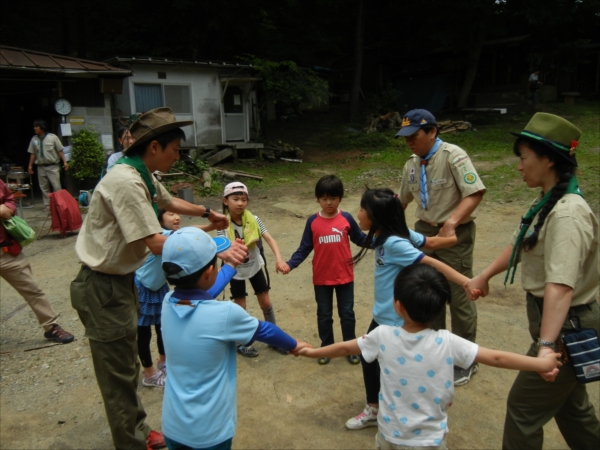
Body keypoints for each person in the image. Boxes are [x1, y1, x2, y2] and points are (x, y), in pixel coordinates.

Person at [70, 107, 247, 450]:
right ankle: (132, 441)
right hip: (102, 286)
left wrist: (207, 213)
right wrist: (210, 249)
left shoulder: (141, 173)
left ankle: (137, 430)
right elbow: (154, 244)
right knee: (118, 375)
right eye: (175, 150)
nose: (177, 157)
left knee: (126, 367)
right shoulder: (125, 182)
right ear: (154, 148)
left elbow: (168, 201)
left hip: (118, 283)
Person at [298, 264, 561, 450]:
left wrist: (311, 352)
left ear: (398, 305)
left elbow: (345, 348)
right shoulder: (448, 342)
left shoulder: (383, 335)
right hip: (430, 441)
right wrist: (540, 363)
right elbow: (496, 358)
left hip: (389, 434)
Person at [465, 112, 600, 449]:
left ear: (549, 159)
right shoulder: (547, 201)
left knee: (523, 408)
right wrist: (485, 274)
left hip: (566, 328)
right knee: (572, 409)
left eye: (524, 158)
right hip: (560, 325)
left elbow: (561, 285)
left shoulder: (568, 213)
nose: (519, 166)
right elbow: (521, 244)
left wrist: (545, 346)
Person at [160, 227, 310, 450]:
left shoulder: (168, 301)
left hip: (173, 426)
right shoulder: (225, 313)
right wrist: (294, 344)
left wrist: (230, 266)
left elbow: (203, 293)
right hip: (210, 432)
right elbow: (265, 331)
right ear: (209, 272)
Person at [345, 188, 479, 430]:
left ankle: (390, 412)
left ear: (376, 216)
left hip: (395, 321)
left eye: (362, 209)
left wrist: (466, 281)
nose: (359, 213)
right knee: (371, 360)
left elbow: (432, 260)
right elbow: (433, 242)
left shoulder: (396, 243)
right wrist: (450, 236)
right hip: (383, 315)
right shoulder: (392, 235)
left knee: (387, 366)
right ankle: (377, 408)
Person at [397, 109, 486, 386]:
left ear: (432, 131)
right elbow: (402, 202)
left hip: (454, 234)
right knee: (427, 289)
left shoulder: (453, 156)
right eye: (405, 137)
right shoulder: (411, 164)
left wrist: (452, 222)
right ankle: (436, 350)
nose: (409, 142)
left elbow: (475, 192)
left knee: (459, 294)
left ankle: (465, 359)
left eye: (414, 135)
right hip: (424, 232)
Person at [135, 209, 228, 388]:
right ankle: (149, 373)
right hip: (144, 287)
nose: (176, 217)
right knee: (143, 333)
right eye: (170, 214)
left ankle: (163, 362)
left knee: (161, 328)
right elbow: (190, 236)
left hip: (159, 286)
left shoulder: (172, 235)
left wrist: (210, 226)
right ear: (159, 219)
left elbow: (191, 231)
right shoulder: (160, 237)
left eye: (177, 214)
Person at [280, 174, 367, 365]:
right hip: (322, 278)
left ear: (340, 198)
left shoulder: (346, 219)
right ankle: (326, 349)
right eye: (324, 198)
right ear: (317, 199)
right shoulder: (312, 221)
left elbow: (360, 239)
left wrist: (382, 240)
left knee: (347, 314)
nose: (329, 203)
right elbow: (304, 248)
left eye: (333, 198)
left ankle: (350, 348)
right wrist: (290, 264)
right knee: (324, 314)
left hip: (345, 276)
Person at [217, 182, 288, 357]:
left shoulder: (254, 220)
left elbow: (270, 239)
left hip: (255, 266)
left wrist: (279, 258)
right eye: (235, 199)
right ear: (225, 201)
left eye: (243, 199)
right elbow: (219, 248)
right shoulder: (222, 224)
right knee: (240, 307)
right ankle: (242, 343)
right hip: (235, 271)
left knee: (266, 302)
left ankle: (274, 339)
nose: (240, 203)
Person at [0, 179, 74, 344]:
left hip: (5, 251)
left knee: (32, 289)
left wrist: (8, 208)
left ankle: (51, 327)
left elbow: (9, 199)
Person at [27, 120, 69, 207]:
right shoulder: (34, 139)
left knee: (56, 186)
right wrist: (30, 165)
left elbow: (60, 150)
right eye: (34, 126)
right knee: (44, 187)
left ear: (42, 127)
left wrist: (64, 161)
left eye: (36, 126)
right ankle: (47, 205)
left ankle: (59, 205)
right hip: (41, 167)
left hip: (52, 166)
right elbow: (33, 153)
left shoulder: (52, 137)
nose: (34, 128)